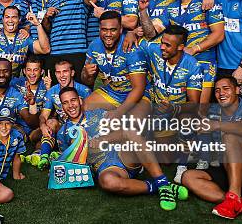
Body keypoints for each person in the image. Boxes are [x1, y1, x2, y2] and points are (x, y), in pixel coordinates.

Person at [46, 87, 188, 211]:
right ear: (62, 107)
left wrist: (102, 139)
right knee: (107, 182)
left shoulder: (99, 113)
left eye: (73, 100)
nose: (70, 105)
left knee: (132, 132)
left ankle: (161, 181)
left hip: (123, 154)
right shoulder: (63, 132)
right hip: (104, 166)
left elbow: (125, 132)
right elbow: (69, 160)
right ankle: (157, 187)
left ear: (80, 100)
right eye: (65, 103)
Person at [182, 76, 242, 221]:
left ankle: (233, 198)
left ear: (237, 90)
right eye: (217, 91)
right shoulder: (213, 113)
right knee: (188, 177)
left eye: (226, 89)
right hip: (229, 168)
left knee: (230, 138)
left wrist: (215, 125)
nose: (221, 93)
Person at [141, 0, 225, 105]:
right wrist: (143, 11)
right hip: (178, 65)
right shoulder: (171, 8)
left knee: (199, 112)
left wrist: (194, 49)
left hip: (203, 62)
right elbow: (151, 33)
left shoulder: (207, 2)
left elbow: (218, 34)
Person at [136, 25, 203, 182]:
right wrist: (132, 34)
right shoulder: (155, 50)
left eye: (167, 45)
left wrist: (175, 108)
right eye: (162, 42)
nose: (162, 47)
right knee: (165, 159)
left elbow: (194, 103)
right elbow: (139, 41)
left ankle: (182, 166)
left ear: (181, 47)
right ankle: (144, 151)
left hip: (177, 111)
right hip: (157, 111)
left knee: (189, 117)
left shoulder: (192, 65)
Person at [81, 11, 147, 114]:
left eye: (113, 30)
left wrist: (118, 112)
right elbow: (87, 81)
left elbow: (139, 88)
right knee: (83, 109)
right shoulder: (94, 46)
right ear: (99, 29)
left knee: (133, 125)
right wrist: (86, 73)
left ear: (120, 29)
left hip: (139, 95)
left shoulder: (132, 49)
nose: (108, 34)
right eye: (104, 30)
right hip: (114, 92)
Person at [42, 0, 98, 83]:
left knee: (79, 93)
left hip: (76, 51)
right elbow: (48, 28)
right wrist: (46, 17)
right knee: (57, 94)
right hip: (56, 52)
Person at [10, 55, 48, 147]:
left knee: (45, 133)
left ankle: (38, 152)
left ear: (42, 71)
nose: (32, 73)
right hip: (19, 125)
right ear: (24, 71)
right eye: (29, 70)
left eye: (35, 70)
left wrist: (49, 90)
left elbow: (54, 112)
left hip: (38, 126)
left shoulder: (47, 86)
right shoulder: (16, 83)